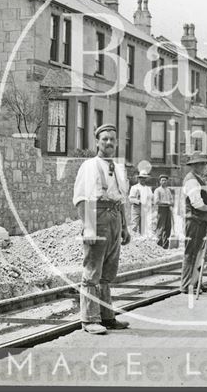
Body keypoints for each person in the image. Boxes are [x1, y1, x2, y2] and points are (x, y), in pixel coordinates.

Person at [72, 123, 131, 335]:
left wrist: (124, 227)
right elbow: (81, 199)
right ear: (97, 141)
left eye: (112, 139)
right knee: (92, 271)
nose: (108, 143)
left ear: (116, 143)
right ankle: (89, 319)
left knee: (108, 272)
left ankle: (107, 316)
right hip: (96, 217)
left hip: (115, 219)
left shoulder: (119, 168)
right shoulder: (89, 166)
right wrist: (88, 228)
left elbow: (122, 200)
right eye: (104, 139)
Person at [180, 153, 207, 294]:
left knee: (200, 253)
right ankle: (187, 284)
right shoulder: (191, 181)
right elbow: (197, 204)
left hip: (201, 220)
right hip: (194, 220)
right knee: (191, 253)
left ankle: (196, 281)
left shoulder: (198, 179)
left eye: (204, 164)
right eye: (200, 164)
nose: (203, 167)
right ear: (193, 166)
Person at [129, 171, 153, 236]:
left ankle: (141, 240)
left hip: (145, 208)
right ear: (139, 178)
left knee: (143, 225)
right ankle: (132, 239)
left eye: (144, 178)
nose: (143, 179)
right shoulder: (134, 187)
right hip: (137, 208)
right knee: (134, 224)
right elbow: (131, 199)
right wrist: (138, 201)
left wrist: (148, 204)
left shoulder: (148, 189)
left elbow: (150, 198)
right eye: (141, 178)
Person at [153, 175, 174, 249]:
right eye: (162, 180)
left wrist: (171, 203)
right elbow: (156, 201)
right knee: (160, 227)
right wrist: (167, 203)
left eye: (165, 180)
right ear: (160, 181)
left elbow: (171, 200)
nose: (164, 182)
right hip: (161, 210)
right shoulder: (157, 190)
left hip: (168, 210)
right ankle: (159, 245)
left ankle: (165, 246)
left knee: (168, 228)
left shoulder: (168, 190)